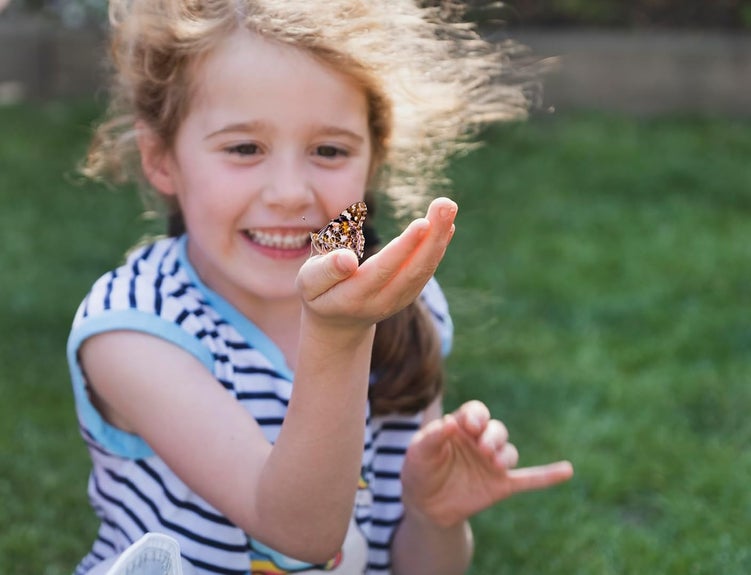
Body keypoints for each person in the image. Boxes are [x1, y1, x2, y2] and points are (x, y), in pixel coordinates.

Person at [66, 1, 574, 574]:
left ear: (373, 159)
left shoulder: (402, 305)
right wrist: (339, 335)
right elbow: (299, 532)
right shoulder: (134, 328)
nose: (290, 193)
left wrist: (432, 515)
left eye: (329, 150)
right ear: (161, 159)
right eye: (244, 148)